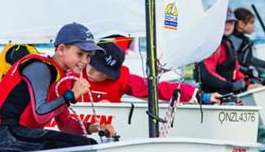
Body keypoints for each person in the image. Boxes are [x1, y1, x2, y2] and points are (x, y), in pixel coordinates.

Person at [0, 22, 115, 152]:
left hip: (24, 135)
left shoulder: (63, 80)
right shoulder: (40, 67)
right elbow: (40, 114)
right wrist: (72, 94)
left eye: (88, 56)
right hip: (7, 134)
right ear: (61, 50)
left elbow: (66, 125)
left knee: (86, 142)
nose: (85, 61)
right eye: (80, 54)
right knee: (85, 144)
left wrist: (95, 127)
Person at [57, 39, 222, 105]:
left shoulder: (121, 79)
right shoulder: (70, 77)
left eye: (102, 71)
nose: (92, 71)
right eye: (92, 64)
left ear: (110, 74)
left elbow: (156, 89)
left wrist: (201, 96)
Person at [196, 9, 261, 95]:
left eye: (231, 23)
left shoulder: (228, 43)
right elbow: (207, 74)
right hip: (214, 95)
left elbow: (235, 70)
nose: (228, 26)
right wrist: (231, 85)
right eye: (225, 22)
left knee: (259, 86)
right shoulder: (212, 46)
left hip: (227, 91)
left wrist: (247, 83)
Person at [230, 8, 265, 85]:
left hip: (242, 75)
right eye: (251, 23)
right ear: (241, 24)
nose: (254, 25)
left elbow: (248, 60)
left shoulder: (239, 39)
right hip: (239, 78)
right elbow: (236, 62)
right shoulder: (238, 41)